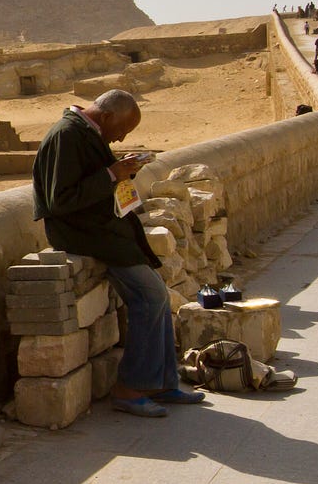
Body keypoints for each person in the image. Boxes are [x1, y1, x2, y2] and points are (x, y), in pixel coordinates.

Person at [31, 90, 204, 418]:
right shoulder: (66, 136)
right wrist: (112, 174)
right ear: (106, 116)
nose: (122, 137)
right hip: (87, 236)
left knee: (157, 296)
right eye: (121, 130)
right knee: (151, 296)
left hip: (105, 232)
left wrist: (121, 171)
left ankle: (162, 381)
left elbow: (93, 181)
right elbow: (59, 200)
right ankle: (130, 388)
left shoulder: (85, 133)